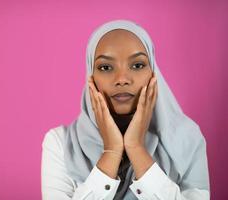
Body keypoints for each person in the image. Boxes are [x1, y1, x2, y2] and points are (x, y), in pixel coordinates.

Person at [41, 19, 210, 200]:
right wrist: (112, 151)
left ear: (153, 73)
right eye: (105, 67)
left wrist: (136, 148)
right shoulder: (60, 144)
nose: (122, 79)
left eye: (137, 65)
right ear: (91, 77)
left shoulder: (187, 139)